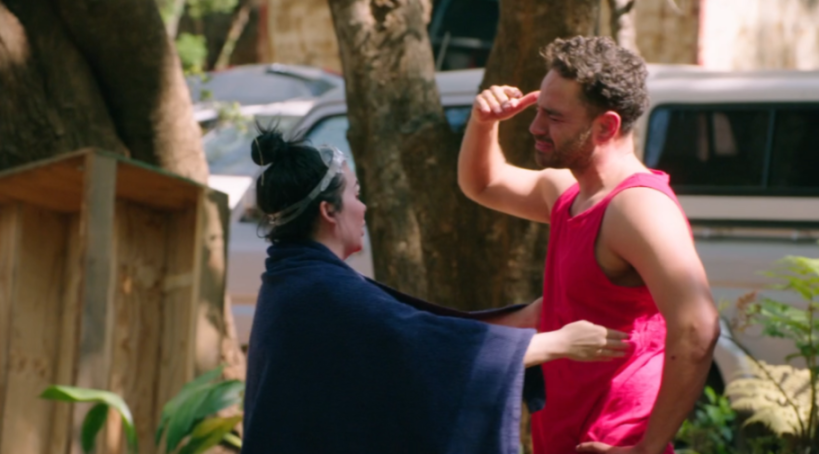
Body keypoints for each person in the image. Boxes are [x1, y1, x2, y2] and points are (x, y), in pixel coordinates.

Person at [241, 129, 630, 454]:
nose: (363, 207)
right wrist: (559, 343)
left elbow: (413, 335)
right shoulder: (319, 291)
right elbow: (429, 349)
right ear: (329, 211)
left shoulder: (294, 280)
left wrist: (527, 318)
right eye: (355, 195)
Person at [457, 36, 721, 454]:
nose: (535, 127)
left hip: (613, 439)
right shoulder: (570, 194)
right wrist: (484, 123)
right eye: (538, 109)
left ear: (606, 126)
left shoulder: (637, 207)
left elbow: (698, 327)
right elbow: (484, 184)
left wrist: (647, 448)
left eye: (553, 116)